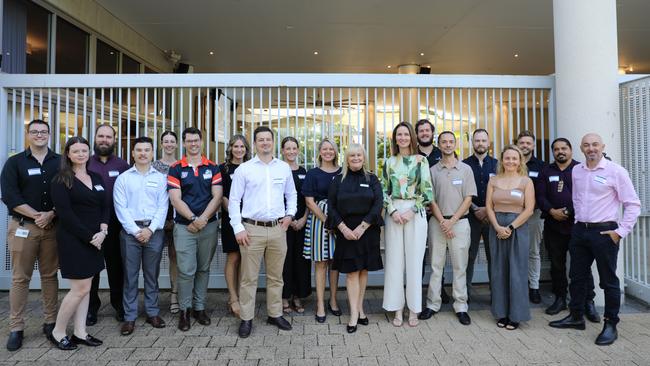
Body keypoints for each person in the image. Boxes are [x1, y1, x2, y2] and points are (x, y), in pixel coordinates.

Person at [549, 133, 640, 346]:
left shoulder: (616, 171)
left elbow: (633, 204)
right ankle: (576, 316)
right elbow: (577, 198)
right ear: (581, 148)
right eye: (587, 145)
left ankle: (610, 324)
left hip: (605, 232)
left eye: (595, 145)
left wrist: (621, 232)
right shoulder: (577, 171)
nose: (591, 148)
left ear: (602, 146)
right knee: (577, 277)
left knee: (608, 281)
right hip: (580, 231)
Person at [229, 126, 297, 338]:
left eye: (268, 139)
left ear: (273, 142)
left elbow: (291, 194)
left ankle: (274, 313)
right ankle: (246, 318)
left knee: (276, 277)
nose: (265, 143)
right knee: (248, 278)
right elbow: (234, 200)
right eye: (261, 140)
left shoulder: (283, 168)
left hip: (278, 229)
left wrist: (289, 215)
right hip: (251, 230)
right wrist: (238, 227)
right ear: (255, 143)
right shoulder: (244, 169)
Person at [1, 120, 60, 351]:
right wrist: (38, 215)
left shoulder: (60, 161)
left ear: (49, 134)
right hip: (24, 226)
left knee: (49, 275)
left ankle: (50, 322)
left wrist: (52, 213)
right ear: (27, 134)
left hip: (52, 227)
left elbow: (67, 191)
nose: (39, 135)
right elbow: (10, 196)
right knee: (19, 278)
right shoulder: (14, 163)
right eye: (34, 131)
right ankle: (16, 328)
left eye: (43, 131)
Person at [48, 136, 107, 350]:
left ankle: (80, 332)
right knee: (79, 289)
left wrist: (103, 229)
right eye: (76, 151)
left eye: (84, 150)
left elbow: (105, 206)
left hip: (96, 239)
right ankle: (58, 331)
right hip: (75, 240)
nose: (81, 154)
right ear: (68, 154)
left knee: (87, 288)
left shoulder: (96, 177)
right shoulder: (61, 179)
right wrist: (90, 237)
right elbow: (66, 214)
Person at [537, 138, 599, 320]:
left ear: (571, 150)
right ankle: (560, 298)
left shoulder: (581, 169)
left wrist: (567, 211)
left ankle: (588, 302)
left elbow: (585, 195)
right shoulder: (546, 171)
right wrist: (551, 211)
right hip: (553, 226)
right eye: (556, 149)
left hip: (578, 226)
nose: (560, 152)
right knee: (557, 265)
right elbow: (540, 196)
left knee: (583, 266)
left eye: (564, 148)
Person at [167, 127, 223, 331]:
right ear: (183, 143)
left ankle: (199, 308)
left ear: (201, 142)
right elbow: (175, 198)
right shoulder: (175, 168)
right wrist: (193, 218)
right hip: (184, 227)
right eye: (189, 140)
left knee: (203, 268)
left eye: (196, 140)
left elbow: (217, 196)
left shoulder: (213, 167)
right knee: (185, 270)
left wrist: (204, 219)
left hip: (208, 226)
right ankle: (184, 310)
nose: (193, 144)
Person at [114, 137, 169, 335]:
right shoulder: (124, 178)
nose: (143, 153)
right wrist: (136, 231)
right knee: (129, 276)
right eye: (139, 150)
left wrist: (150, 230)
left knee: (151, 275)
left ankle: (152, 312)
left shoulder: (160, 178)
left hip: (153, 232)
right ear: (133, 153)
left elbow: (163, 206)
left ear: (153, 153)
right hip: (130, 233)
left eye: (147, 150)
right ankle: (130, 317)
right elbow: (120, 208)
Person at [420, 131, 476, 325]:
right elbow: (430, 198)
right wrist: (443, 221)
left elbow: (469, 198)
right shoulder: (432, 170)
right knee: (436, 266)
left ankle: (461, 306)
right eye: (444, 142)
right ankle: (432, 304)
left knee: (460, 266)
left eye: (451, 141)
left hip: (460, 223)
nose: (448, 144)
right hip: (437, 223)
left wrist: (452, 220)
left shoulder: (466, 169)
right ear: (439, 144)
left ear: (455, 144)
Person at [382, 121, 433, 327]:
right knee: (394, 262)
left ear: (412, 137)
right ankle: (397, 308)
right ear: (395, 138)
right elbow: (383, 191)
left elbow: (427, 191)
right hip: (393, 213)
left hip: (415, 213)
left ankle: (413, 309)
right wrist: (393, 211)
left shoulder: (422, 161)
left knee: (414, 262)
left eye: (405, 134)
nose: (402, 138)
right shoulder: (389, 162)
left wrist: (411, 211)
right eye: (398, 135)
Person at [328, 143, 383, 333]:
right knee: (352, 273)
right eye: (352, 155)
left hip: (367, 232)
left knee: (363, 271)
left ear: (364, 157)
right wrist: (343, 228)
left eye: (359, 155)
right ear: (346, 158)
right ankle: (353, 315)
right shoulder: (337, 180)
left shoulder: (372, 179)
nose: (356, 158)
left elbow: (378, 204)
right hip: (346, 233)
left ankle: (360, 308)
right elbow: (332, 206)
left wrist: (363, 226)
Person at [485, 145, 535, 330]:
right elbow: (489, 206)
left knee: (517, 271)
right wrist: (497, 226)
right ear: (502, 160)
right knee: (498, 271)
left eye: (515, 158)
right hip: (496, 227)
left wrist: (511, 227)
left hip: (518, 228)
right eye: (507, 158)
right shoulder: (494, 180)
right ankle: (502, 313)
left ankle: (516, 315)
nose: (511, 161)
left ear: (520, 161)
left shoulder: (526, 182)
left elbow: (529, 209)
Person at [87, 124, 130, 325]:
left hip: (115, 226)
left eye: (108, 137)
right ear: (95, 138)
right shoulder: (84, 163)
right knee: (91, 269)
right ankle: (90, 309)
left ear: (114, 140)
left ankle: (119, 306)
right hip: (90, 227)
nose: (104, 140)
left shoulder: (122, 165)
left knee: (116, 268)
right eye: (101, 136)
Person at [302, 139, 342, 322]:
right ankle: (319, 304)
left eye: (331, 149)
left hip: (341, 219)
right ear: (319, 152)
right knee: (321, 262)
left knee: (335, 262)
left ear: (336, 152)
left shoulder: (343, 171)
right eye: (324, 149)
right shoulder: (313, 174)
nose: (328, 152)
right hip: (320, 219)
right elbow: (309, 201)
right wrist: (328, 221)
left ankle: (333, 300)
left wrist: (338, 222)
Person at [415, 119, 450, 304]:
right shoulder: (413, 155)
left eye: (427, 130)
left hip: (440, 212)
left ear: (432, 133)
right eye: (421, 131)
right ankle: (417, 291)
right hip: (418, 211)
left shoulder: (442, 153)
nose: (424, 133)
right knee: (418, 253)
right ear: (417, 134)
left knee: (439, 253)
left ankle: (439, 288)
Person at [219, 134, 251, 318]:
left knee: (245, 259)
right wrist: (234, 214)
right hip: (231, 219)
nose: (239, 150)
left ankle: (242, 296)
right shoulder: (223, 168)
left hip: (249, 218)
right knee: (233, 257)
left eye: (242, 147)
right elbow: (221, 195)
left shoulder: (251, 167)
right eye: (235, 146)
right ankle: (233, 298)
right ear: (230, 148)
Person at [462, 129, 498, 297]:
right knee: (468, 257)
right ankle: (465, 294)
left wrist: (488, 209)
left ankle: (495, 295)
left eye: (483, 140)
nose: (480, 144)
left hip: (493, 218)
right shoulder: (464, 165)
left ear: (489, 142)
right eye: (477, 140)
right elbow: (461, 192)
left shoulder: (498, 165)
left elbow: (501, 190)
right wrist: (475, 209)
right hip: (470, 217)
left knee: (494, 257)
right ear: (472, 142)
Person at [280, 137, 311, 314]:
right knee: (285, 261)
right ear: (283, 151)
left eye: (294, 148)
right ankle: (284, 297)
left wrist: (304, 219)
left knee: (301, 261)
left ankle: (298, 296)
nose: (291, 151)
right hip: (283, 223)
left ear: (298, 150)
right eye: (288, 148)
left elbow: (308, 199)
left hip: (301, 222)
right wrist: (288, 219)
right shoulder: (278, 169)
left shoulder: (304, 172)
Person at [152, 130, 181, 314]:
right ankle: (152, 298)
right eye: (166, 141)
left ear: (177, 144)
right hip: (157, 220)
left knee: (175, 259)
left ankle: (174, 296)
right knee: (152, 259)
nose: (169, 144)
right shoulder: (153, 166)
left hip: (178, 218)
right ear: (161, 144)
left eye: (172, 141)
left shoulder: (181, 165)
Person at [516, 130, 546, 304]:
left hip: (534, 215)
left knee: (533, 252)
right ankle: (518, 286)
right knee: (516, 252)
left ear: (533, 146)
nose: (525, 146)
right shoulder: (511, 163)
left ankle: (534, 287)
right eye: (522, 142)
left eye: (528, 143)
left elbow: (542, 193)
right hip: (513, 215)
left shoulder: (541, 166)